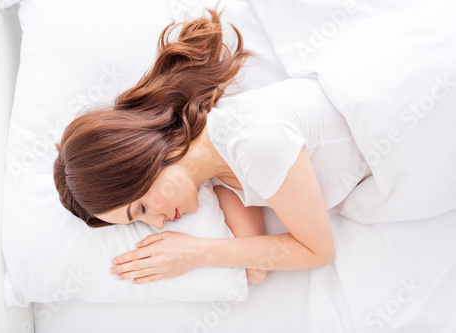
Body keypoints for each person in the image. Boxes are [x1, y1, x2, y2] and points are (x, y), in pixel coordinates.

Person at [53, 9, 370, 285]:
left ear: (142, 163)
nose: (159, 223)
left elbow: (318, 251)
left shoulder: (251, 142)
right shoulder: (220, 175)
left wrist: (195, 252)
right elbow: (256, 270)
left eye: (142, 209)